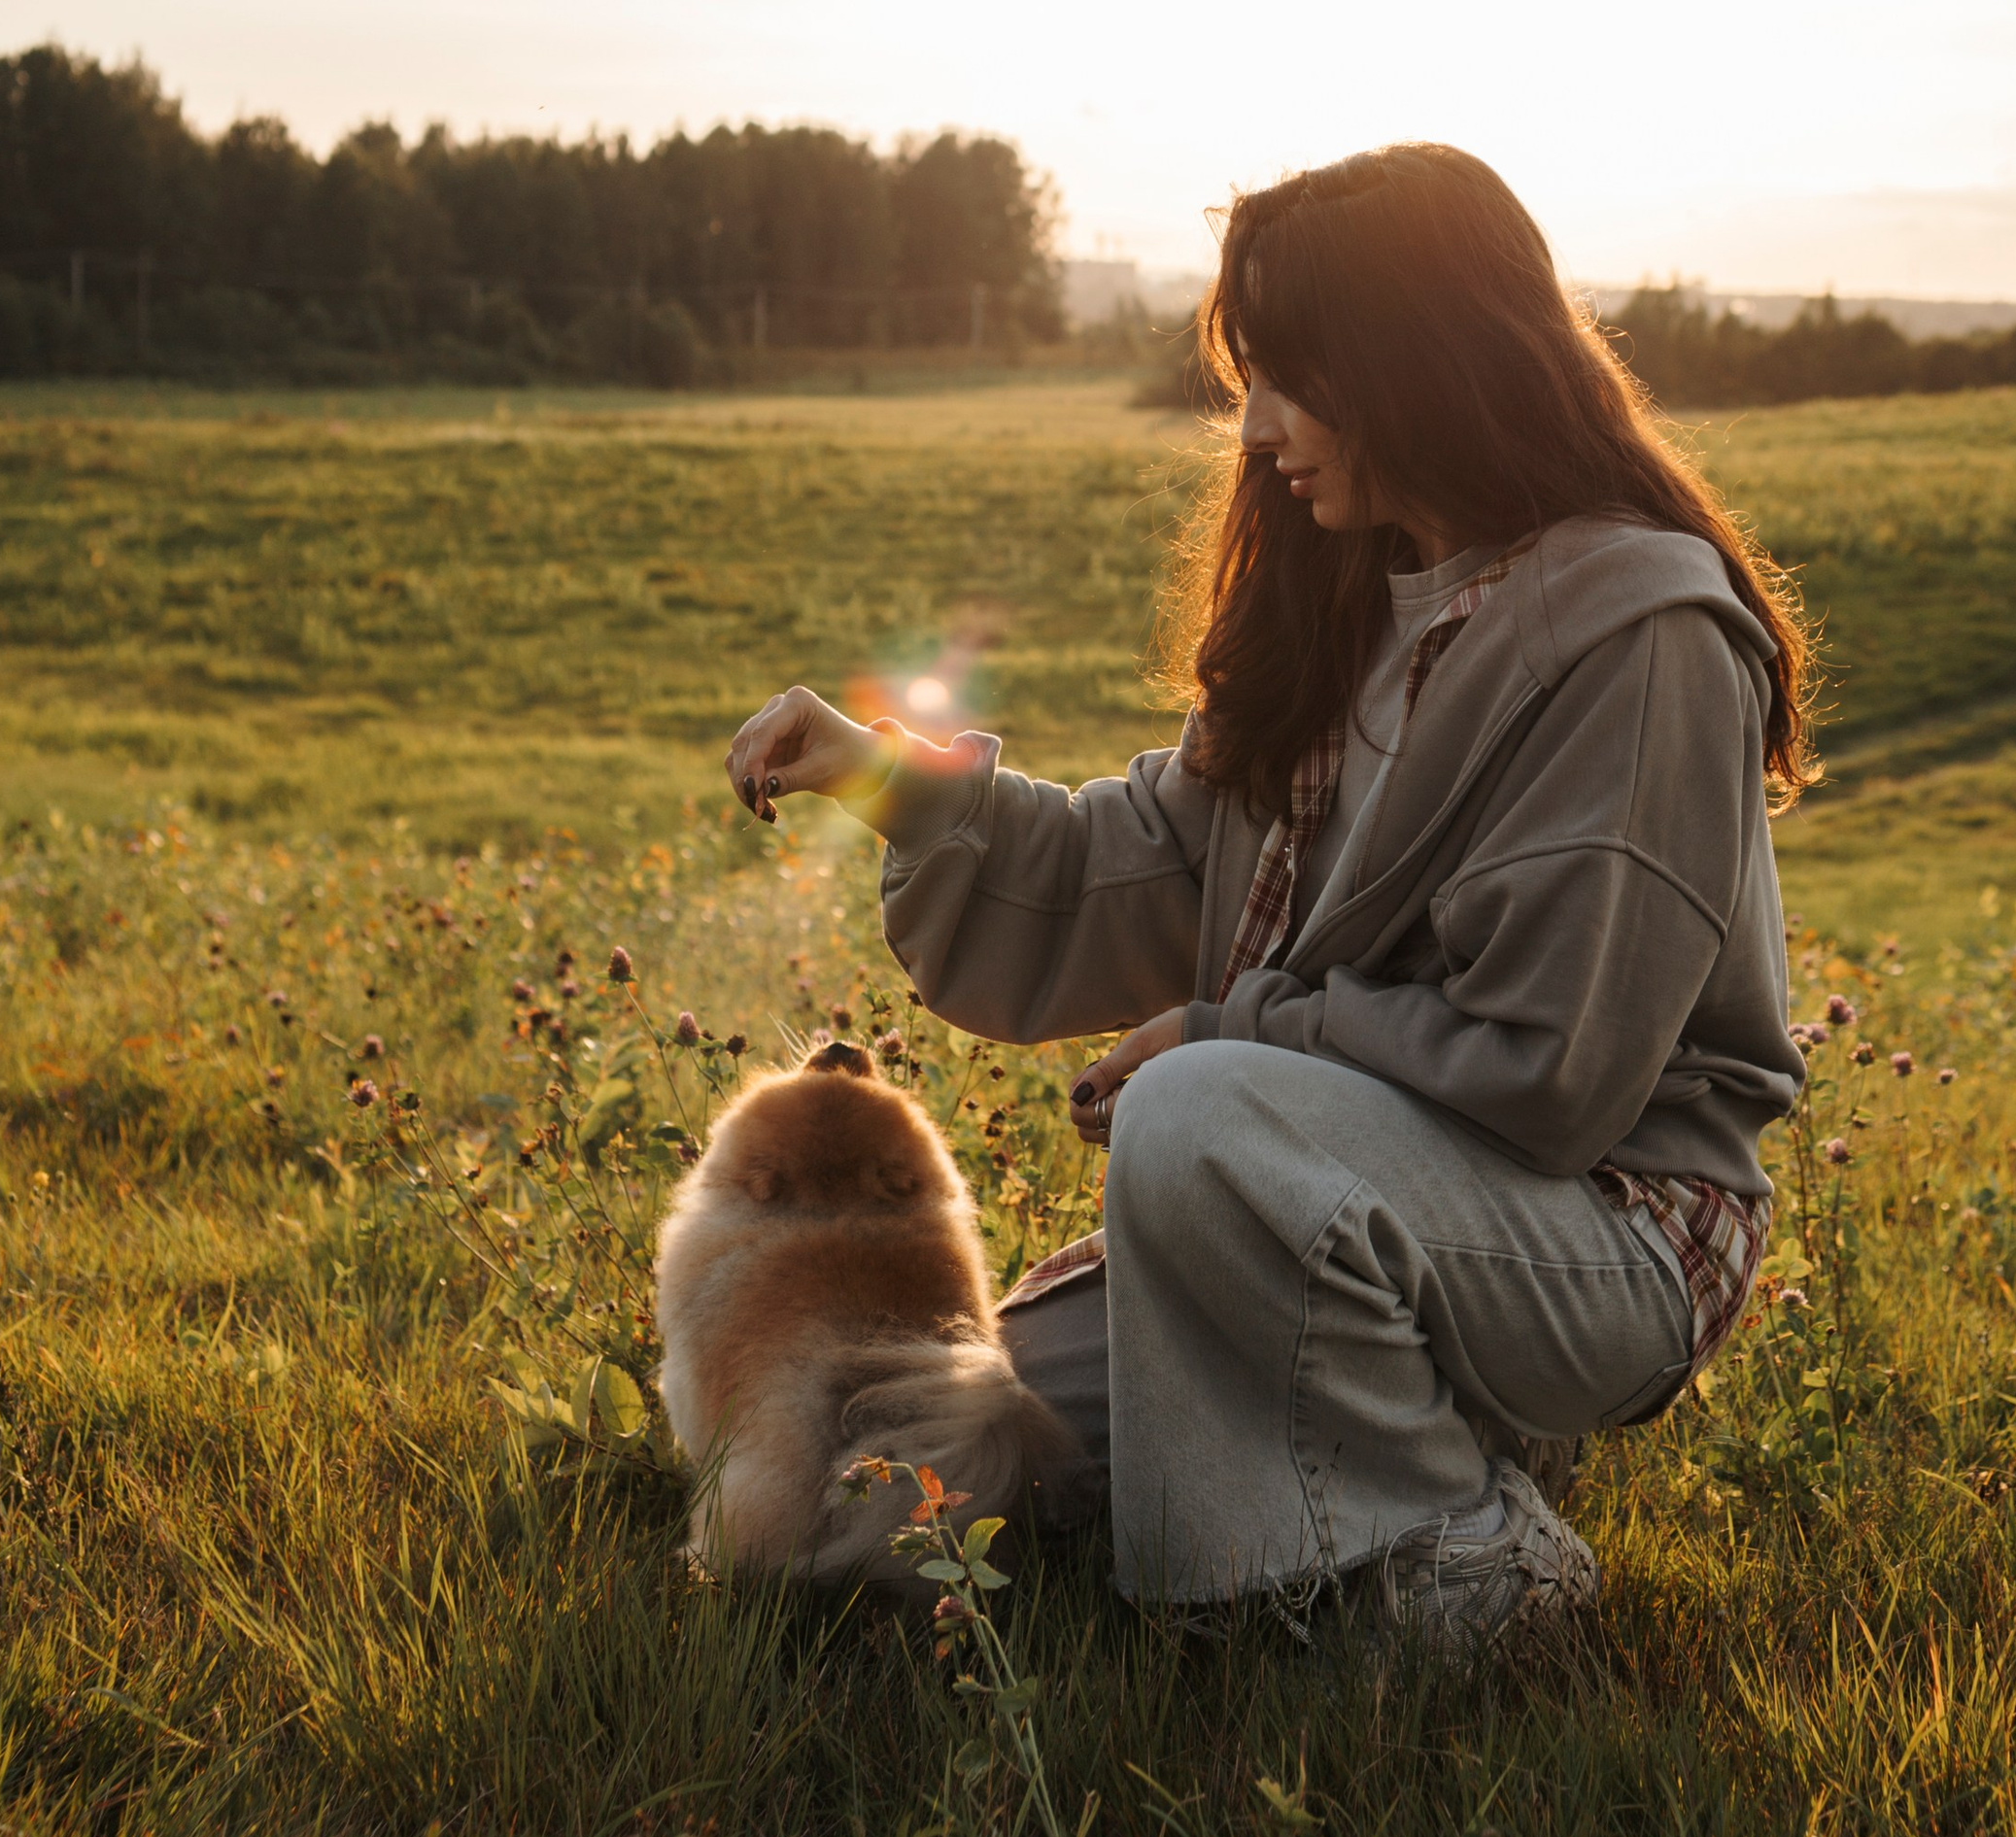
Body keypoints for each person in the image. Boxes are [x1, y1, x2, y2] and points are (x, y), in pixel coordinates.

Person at [723, 144, 1809, 1650]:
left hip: (1597, 1233)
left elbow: (1552, 1073)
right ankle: (1384, 1454)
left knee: (1197, 1111)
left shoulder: (1641, 635)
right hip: (1356, 1198)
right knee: (915, 1452)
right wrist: (885, 778)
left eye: (1290, 375)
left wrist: (1241, 1035)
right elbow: (1139, 863)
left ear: (1413, 359)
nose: (1257, 425)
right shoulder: (1347, 601)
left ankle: (1462, 1558)